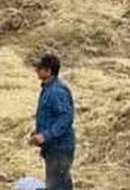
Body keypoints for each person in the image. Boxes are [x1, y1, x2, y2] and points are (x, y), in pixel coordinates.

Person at [30, 54, 76, 190]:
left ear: (49, 71)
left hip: (60, 148)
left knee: (56, 185)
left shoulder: (56, 91)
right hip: (54, 147)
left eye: (40, 68)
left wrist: (46, 135)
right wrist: (38, 131)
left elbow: (65, 117)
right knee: (61, 183)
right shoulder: (48, 88)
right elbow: (51, 116)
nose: (37, 71)